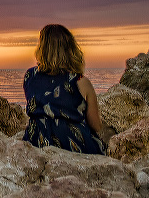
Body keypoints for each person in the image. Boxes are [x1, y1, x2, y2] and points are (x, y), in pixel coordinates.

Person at [22, 24, 106, 154]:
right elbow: (96, 125)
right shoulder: (81, 82)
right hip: (73, 144)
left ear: (42, 49)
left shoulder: (30, 76)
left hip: (37, 142)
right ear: (70, 49)